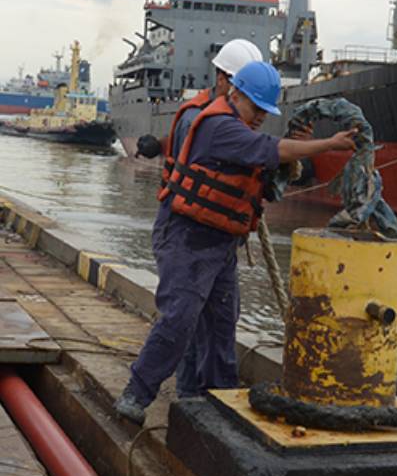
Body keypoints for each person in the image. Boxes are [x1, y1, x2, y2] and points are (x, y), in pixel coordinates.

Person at [114, 61, 357, 425]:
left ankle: (218, 399)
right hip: (187, 238)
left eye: (265, 110)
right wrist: (330, 144)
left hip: (220, 241)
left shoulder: (236, 123)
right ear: (235, 93)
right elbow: (270, 150)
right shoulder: (219, 127)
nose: (260, 116)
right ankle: (136, 394)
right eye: (256, 108)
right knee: (180, 319)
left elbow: (264, 160)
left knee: (221, 323)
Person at [136, 38, 263, 400]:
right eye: (241, 86)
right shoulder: (204, 119)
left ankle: (209, 395)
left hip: (218, 234)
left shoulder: (227, 119)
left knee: (220, 319)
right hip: (187, 230)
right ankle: (162, 393)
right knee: (184, 316)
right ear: (223, 79)